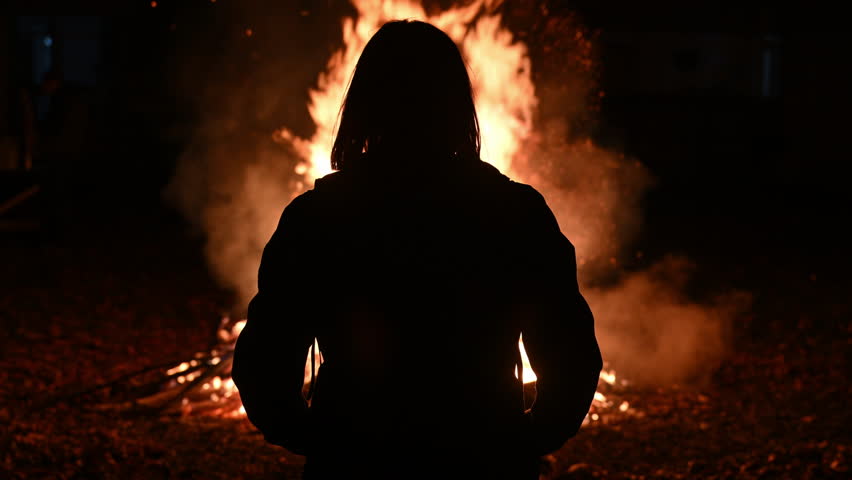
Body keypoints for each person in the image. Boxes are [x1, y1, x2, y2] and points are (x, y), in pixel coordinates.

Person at [232, 20, 602, 480]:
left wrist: (316, 438)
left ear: (363, 106)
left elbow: (265, 359)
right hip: (483, 458)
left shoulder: (317, 217)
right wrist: (525, 439)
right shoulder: (515, 211)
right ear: (456, 106)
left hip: (357, 460)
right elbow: (571, 354)